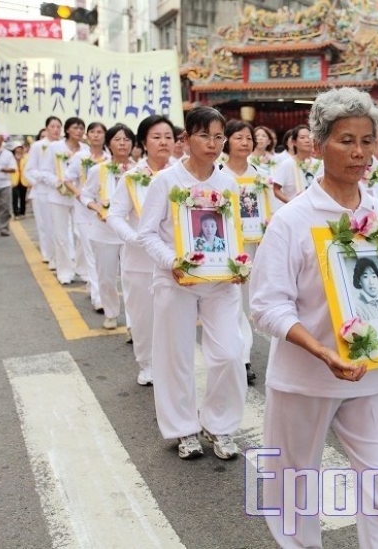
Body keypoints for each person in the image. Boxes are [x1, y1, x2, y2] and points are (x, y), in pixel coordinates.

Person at [250, 87, 378, 548]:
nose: (359, 153)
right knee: (294, 486)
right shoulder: (292, 219)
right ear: (317, 145)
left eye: (367, 140)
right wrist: (320, 350)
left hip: (370, 377)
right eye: (345, 140)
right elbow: (266, 304)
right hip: (305, 379)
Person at [138, 106, 247, 460]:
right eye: (205, 135)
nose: (213, 144)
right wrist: (172, 262)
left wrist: (237, 263)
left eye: (219, 136)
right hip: (176, 281)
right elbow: (147, 234)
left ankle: (219, 425)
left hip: (219, 283)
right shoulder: (166, 181)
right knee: (175, 356)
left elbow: (233, 234)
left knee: (230, 353)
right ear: (187, 139)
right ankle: (183, 429)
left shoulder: (228, 183)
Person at [107, 115, 177, 386]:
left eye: (168, 137)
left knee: (172, 316)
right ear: (144, 143)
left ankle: (170, 364)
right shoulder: (132, 177)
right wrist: (132, 237)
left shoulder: (181, 174)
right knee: (142, 316)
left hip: (174, 260)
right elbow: (114, 215)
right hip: (140, 260)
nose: (163, 142)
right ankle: (146, 363)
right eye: (156, 137)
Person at [82, 124, 135, 331]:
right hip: (104, 232)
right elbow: (86, 194)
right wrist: (96, 207)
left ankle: (133, 323)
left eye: (127, 139)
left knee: (132, 278)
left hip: (131, 232)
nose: (122, 143)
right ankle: (111, 313)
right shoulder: (98, 169)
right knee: (105, 277)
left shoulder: (140, 170)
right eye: (117, 139)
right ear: (109, 143)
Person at [222, 118, 262, 386]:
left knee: (247, 302)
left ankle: (243, 356)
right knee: (230, 301)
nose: (244, 142)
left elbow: (268, 210)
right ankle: (237, 356)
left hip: (252, 245)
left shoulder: (259, 174)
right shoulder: (218, 174)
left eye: (248, 138)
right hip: (224, 248)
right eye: (238, 137)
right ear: (226, 141)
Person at [66, 121, 109, 310]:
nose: (96, 135)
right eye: (92, 132)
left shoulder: (110, 158)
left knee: (100, 255)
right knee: (91, 252)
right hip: (84, 210)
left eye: (100, 132)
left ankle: (94, 286)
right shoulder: (80, 157)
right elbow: (67, 179)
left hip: (104, 212)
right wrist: (77, 192)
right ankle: (98, 299)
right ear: (87, 136)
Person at [46, 117, 90, 285]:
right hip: (58, 196)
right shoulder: (55, 147)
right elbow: (46, 170)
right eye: (75, 128)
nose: (79, 131)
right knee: (61, 235)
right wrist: (56, 182)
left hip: (79, 196)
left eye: (81, 128)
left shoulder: (85, 150)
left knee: (82, 233)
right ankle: (64, 270)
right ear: (68, 130)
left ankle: (82, 268)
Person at [25, 116, 63, 267]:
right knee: (45, 224)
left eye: (58, 126)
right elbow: (30, 170)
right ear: (46, 128)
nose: (55, 129)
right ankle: (48, 254)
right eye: (52, 126)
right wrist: (40, 180)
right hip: (43, 190)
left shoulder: (63, 145)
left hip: (61, 190)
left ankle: (65, 256)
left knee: (62, 226)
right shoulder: (38, 146)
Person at [271, 124, 316, 205]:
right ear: (294, 142)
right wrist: (291, 204)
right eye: (302, 137)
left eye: (309, 137)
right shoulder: (286, 164)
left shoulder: (319, 164)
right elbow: (276, 189)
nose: (307, 140)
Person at [352, 256, 378, 320]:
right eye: (365, 277)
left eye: (374, 276)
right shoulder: (357, 308)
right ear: (359, 281)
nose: (371, 282)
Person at [9, 142, 29, 219]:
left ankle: (22, 212)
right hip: (14, 180)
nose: (19, 149)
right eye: (17, 148)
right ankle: (16, 213)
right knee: (15, 197)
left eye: (20, 148)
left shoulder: (25, 157)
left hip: (23, 179)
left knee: (23, 197)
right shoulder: (11, 158)